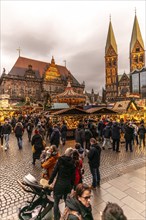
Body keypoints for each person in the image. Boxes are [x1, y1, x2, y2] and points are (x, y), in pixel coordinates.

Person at [48, 147, 75, 220]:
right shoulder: (72, 163)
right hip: (67, 185)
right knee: (67, 202)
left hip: (59, 184)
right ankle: (66, 217)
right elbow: (73, 176)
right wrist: (72, 185)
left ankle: (56, 217)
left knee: (56, 202)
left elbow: (54, 171)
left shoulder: (60, 161)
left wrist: (50, 181)